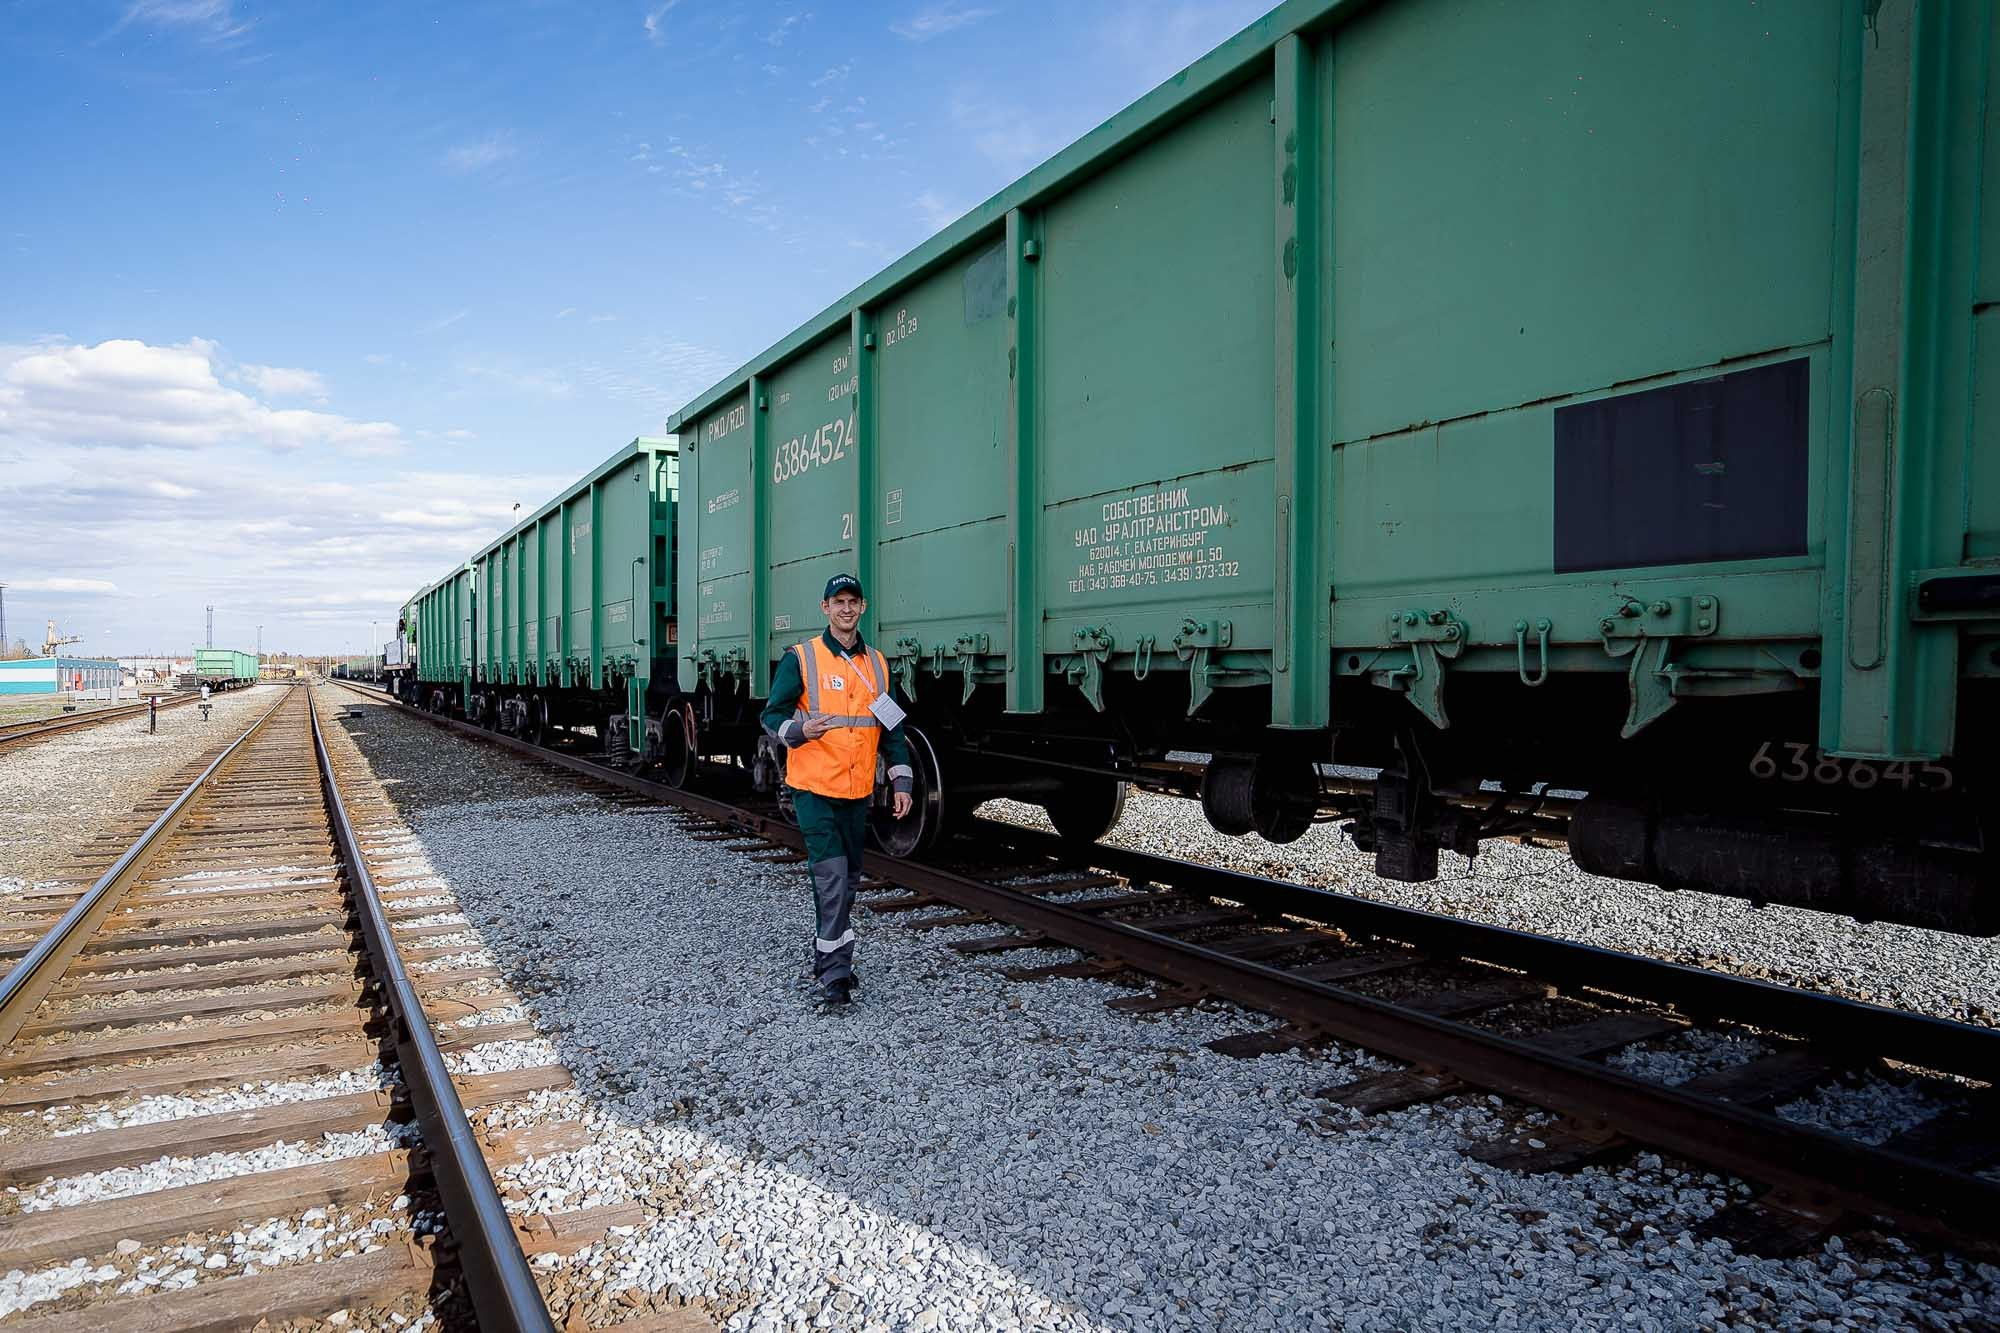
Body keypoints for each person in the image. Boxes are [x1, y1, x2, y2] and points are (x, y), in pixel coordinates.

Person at [760, 573, 914, 1009]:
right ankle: (836, 975)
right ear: (824, 608)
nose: (846, 609)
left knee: (847, 882)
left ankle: (828, 953)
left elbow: (893, 729)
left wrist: (901, 781)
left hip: (856, 791)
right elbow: (771, 716)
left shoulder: (878, 666)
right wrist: (799, 730)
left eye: (853, 602)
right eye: (838, 602)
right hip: (813, 789)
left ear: (863, 608)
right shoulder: (802, 658)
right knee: (830, 879)